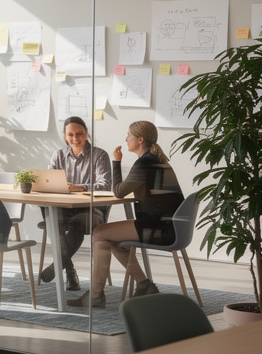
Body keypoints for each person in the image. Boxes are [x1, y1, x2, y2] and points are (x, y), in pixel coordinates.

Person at [75, 121, 182, 309]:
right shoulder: (154, 160)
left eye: (129, 135)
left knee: (100, 233)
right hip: (169, 227)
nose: (126, 139)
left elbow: (118, 191)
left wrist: (116, 161)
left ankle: (97, 295)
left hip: (160, 229)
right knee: (110, 239)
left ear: (140, 140)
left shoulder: (145, 163)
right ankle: (143, 285)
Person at [41, 116, 113, 291]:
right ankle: (70, 270)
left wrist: (79, 187)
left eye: (79, 134)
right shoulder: (58, 155)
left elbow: (105, 185)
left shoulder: (99, 155)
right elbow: (49, 182)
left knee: (77, 224)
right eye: (70, 135)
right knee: (52, 217)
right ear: (65, 136)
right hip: (64, 208)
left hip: (91, 210)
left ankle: (58, 266)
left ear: (86, 133)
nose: (75, 138)